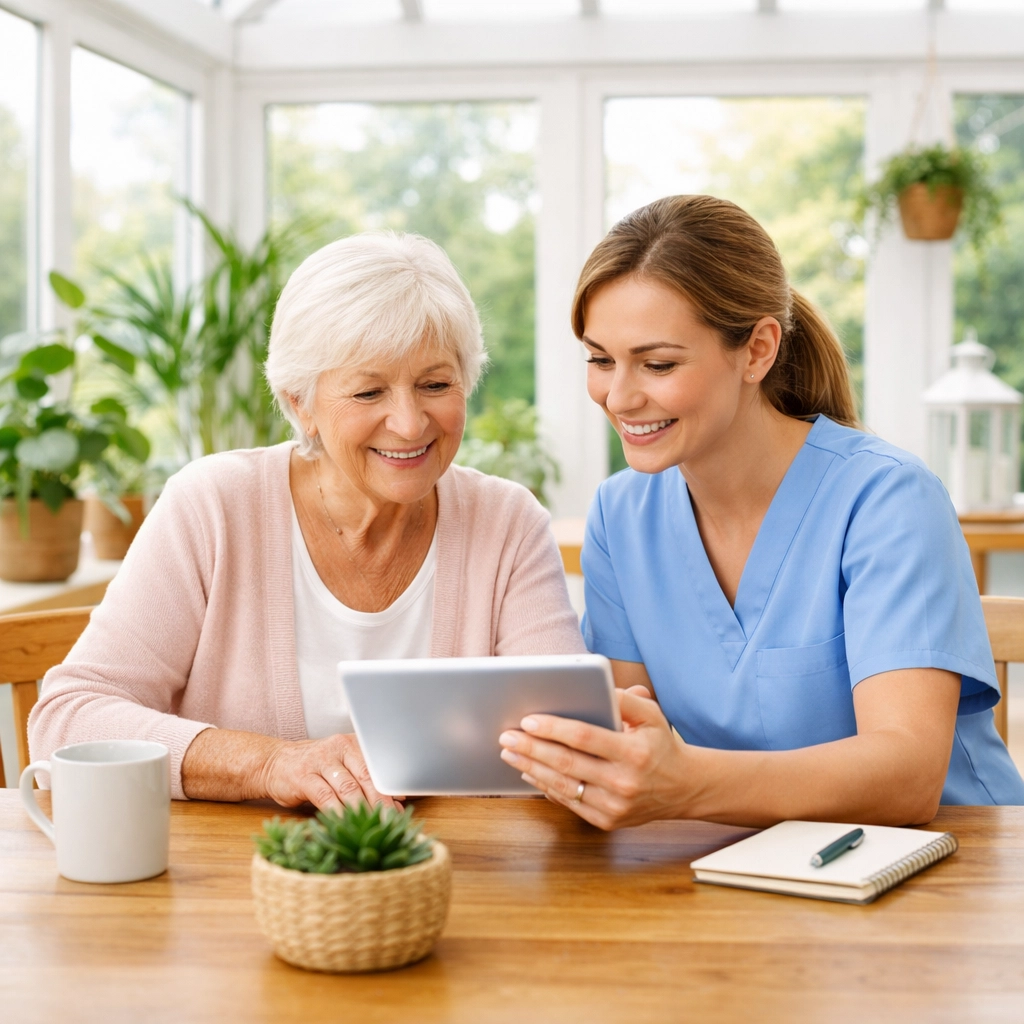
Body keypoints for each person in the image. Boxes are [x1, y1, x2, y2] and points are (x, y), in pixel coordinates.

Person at [498, 194, 1024, 830]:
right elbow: (630, 726)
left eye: (658, 363)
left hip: (949, 869)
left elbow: (908, 777)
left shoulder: (887, 499)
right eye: (600, 359)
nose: (620, 396)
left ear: (757, 350)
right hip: (740, 862)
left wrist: (686, 783)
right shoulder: (622, 515)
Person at [30, 232, 584, 809]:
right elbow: (69, 719)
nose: (410, 421)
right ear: (300, 402)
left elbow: (569, 743)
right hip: (232, 881)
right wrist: (269, 764)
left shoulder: (508, 522)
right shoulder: (214, 505)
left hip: (453, 878)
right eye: (369, 391)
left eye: (435, 385)